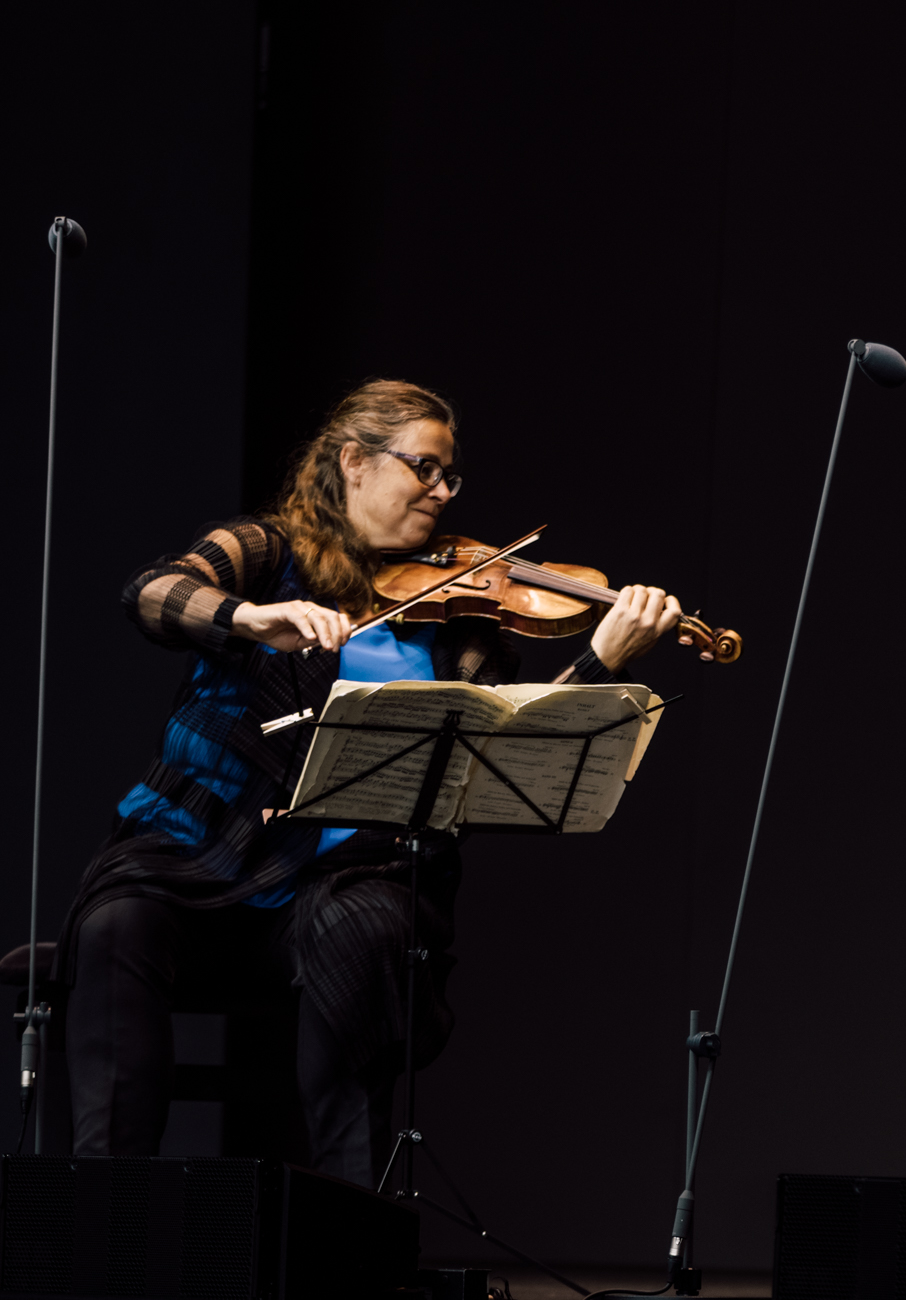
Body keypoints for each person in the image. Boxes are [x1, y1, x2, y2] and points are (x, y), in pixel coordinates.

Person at [57, 380, 685, 1185]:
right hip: (207, 850)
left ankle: (350, 1235)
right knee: (116, 923)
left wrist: (609, 656)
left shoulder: (459, 614)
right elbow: (151, 592)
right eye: (425, 468)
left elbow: (508, 736)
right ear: (354, 461)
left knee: (365, 936)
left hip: (350, 872)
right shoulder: (265, 550)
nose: (442, 492)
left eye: (450, 476)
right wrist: (251, 617)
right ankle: (105, 1209)